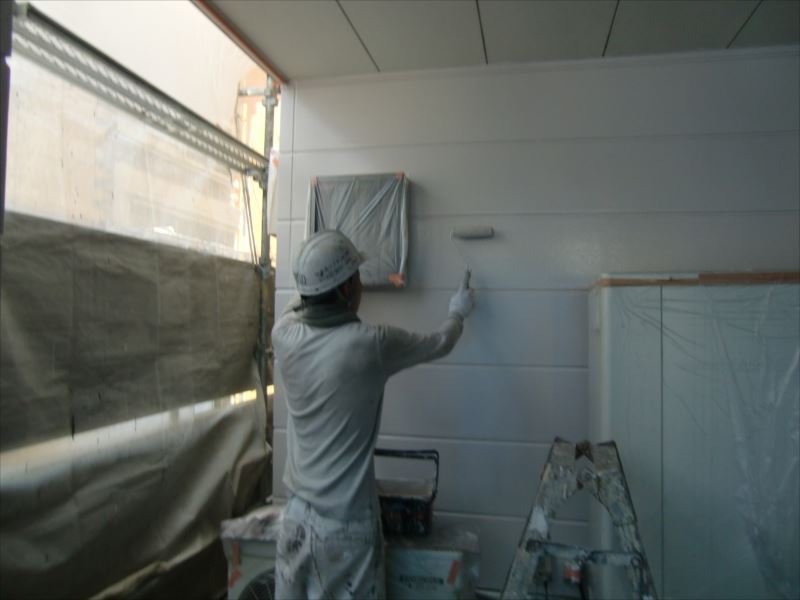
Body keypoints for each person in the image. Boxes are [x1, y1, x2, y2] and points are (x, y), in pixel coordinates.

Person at [272, 229, 475, 600]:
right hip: (345, 529)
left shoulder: (282, 335)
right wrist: (457, 312)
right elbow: (439, 343)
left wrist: (324, 266)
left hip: (295, 521)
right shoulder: (371, 344)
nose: (362, 285)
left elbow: (303, 298)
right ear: (346, 288)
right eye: (357, 277)